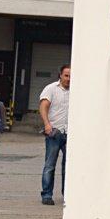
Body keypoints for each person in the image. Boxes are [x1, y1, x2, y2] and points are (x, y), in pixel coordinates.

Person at [39, 64, 70, 206]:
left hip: (70, 133)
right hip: (54, 132)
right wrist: (47, 125)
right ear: (60, 75)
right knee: (50, 165)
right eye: (66, 75)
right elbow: (43, 106)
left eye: (71, 76)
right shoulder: (51, 88)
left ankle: (67, 195)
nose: (69, 79)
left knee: (68, 166)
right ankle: (46, 195)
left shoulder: (77, 90)